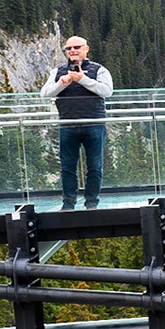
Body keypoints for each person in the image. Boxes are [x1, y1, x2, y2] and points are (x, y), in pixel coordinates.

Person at [41, 35, 114, 210]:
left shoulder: (99, 70)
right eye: (69, 48)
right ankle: (68, 203)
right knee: (67, 167)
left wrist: (82, 79)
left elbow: (107, 91)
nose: (73, 51)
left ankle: (92, 203)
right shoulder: (57, 71)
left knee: (95, 166)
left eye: (77, 47)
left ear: (86, 49)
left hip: (94, 124)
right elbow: (45, 93)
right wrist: (62, 83)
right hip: (67, 125)